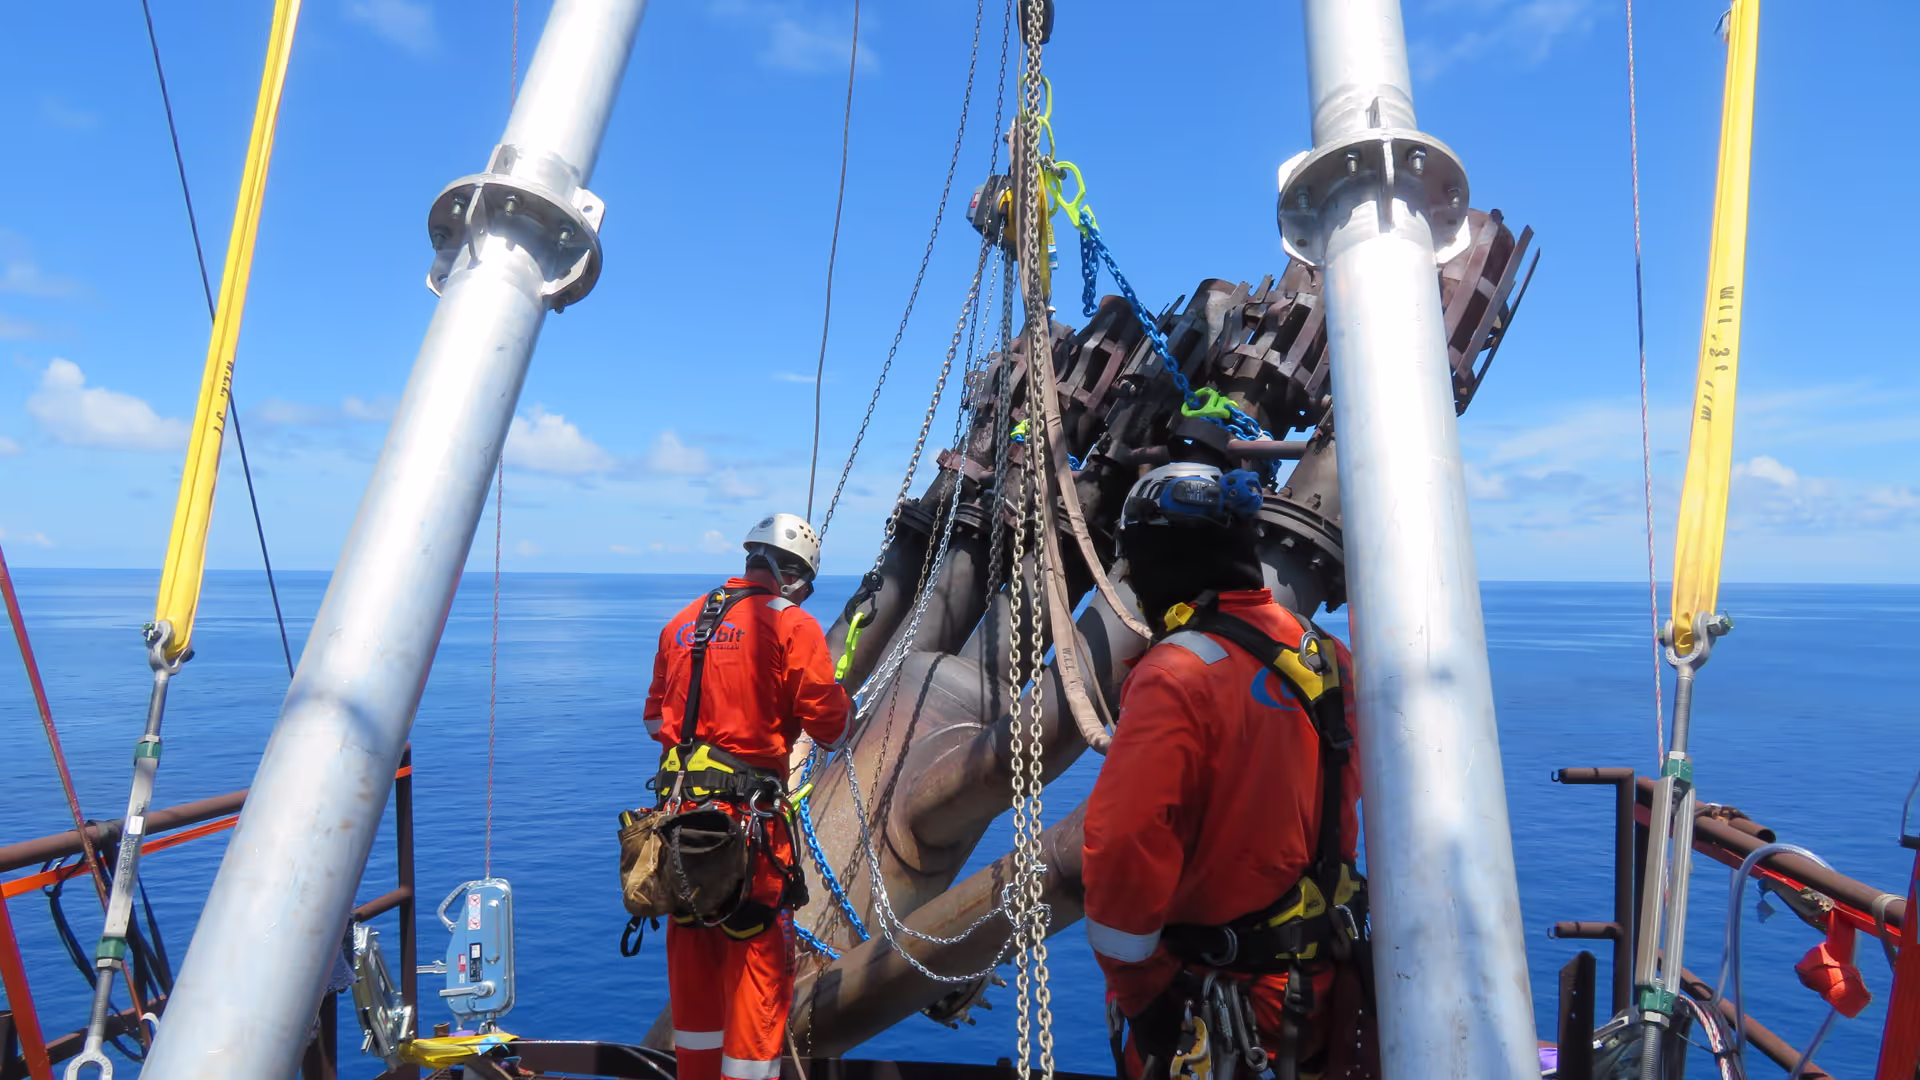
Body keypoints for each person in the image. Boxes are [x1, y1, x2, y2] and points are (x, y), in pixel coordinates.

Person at [1082, 463, 1373, 1080]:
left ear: (1164, 557)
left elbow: (1122, 848)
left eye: (1136, 565)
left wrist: (1141, 992)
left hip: (1216, 1004)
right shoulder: (1324, 656)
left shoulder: (1176, 674)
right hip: (1318, 988)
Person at [644, 513, 850, 1080]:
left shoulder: (681, 623)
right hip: (749, 837)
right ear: (792, 578)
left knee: (694, 977)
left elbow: (653, 721)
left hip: (679, 833)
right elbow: (830, 725)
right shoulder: (790, 623)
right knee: (758, 981)